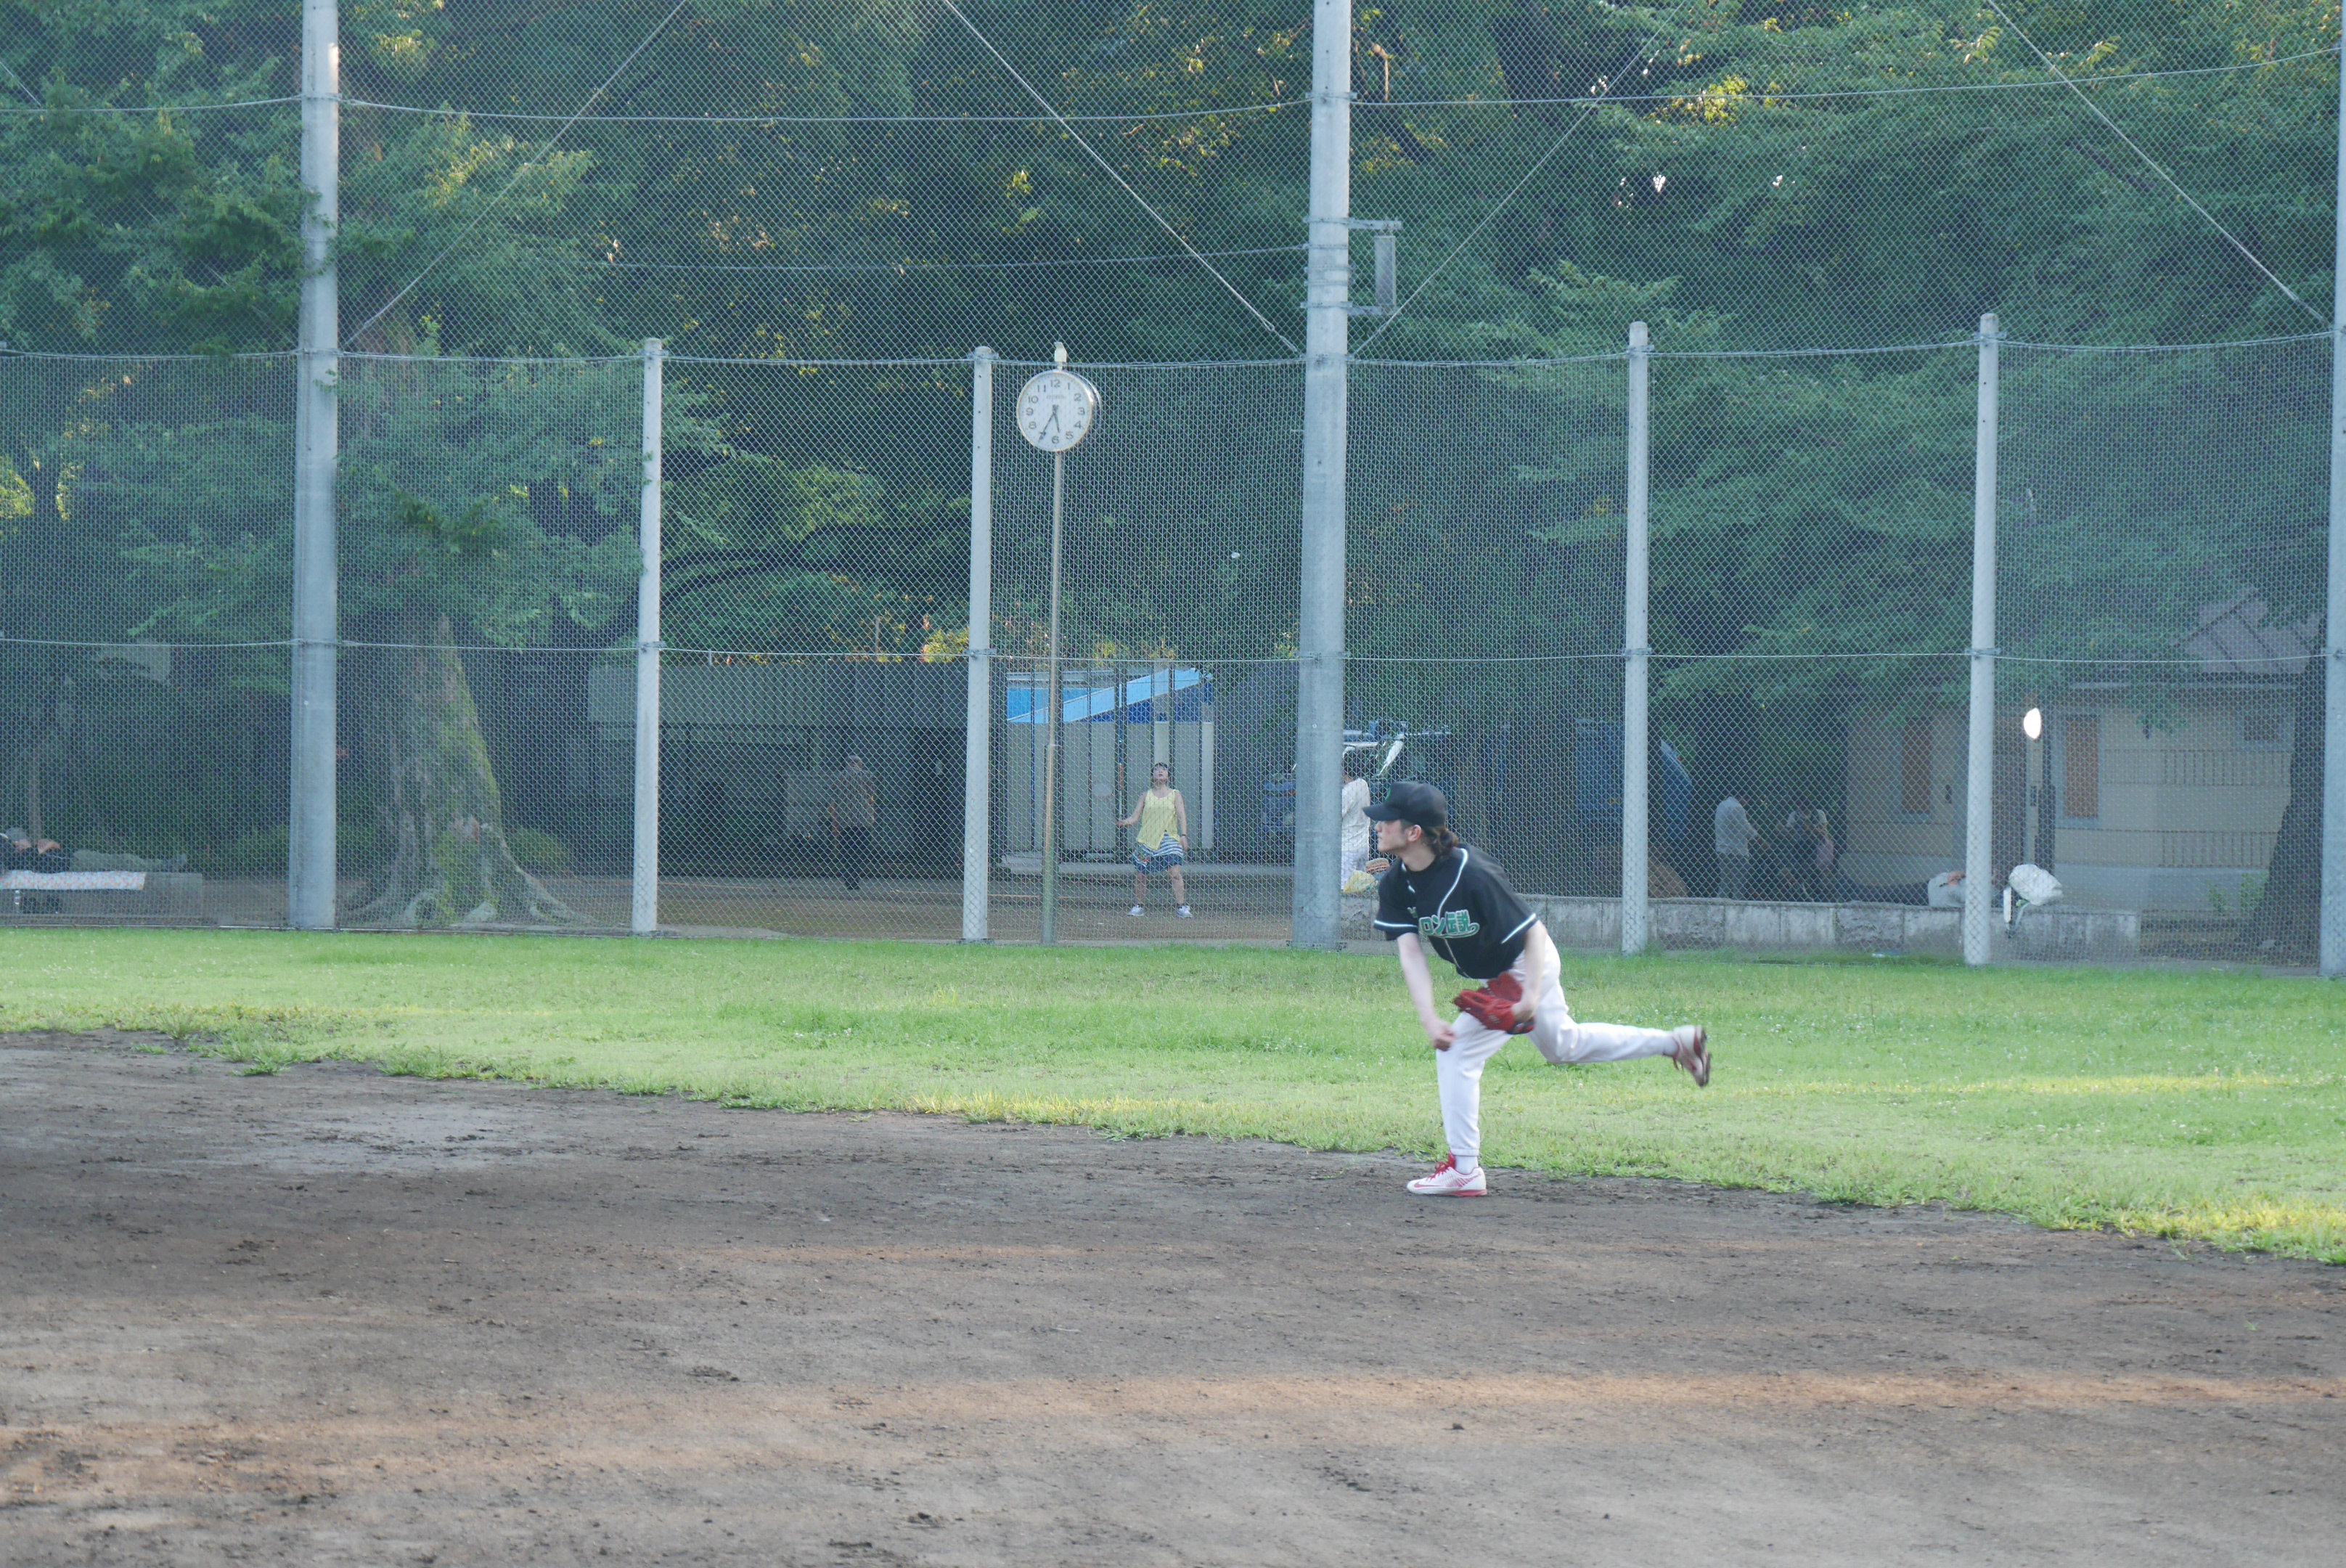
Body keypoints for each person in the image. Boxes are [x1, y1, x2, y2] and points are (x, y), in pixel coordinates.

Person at [1370, 781, 1709, 1197]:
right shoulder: (1396, 884)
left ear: (1414, 832)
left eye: (1388, 820)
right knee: (1564, 1046)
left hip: (1526, 964)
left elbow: (1532, 931)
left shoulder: (1471, 872)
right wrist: (1429, 1017)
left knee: (1457, 1052)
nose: (1379, 826)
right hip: (1500, 974)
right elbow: (1411, 953)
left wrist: (1529, 998)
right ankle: (1676, 1043)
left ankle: (1464, 1169)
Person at [1116, 761, 1191, 918]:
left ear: (1168, 775)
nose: (1160, 772)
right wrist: (1125, 822)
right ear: (1152, 776)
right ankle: (1139, 906)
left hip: (1169, 838)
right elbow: (1135, 817)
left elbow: (1182, 816)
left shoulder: (1175, 794)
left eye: (1164, 769)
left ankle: (1182, 906)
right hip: (1147, 840)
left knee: (1175, 873)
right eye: (1156, 770)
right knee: (1141, 875)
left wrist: (1183, 835)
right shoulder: (1145, 795)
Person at [828, 754, 876, 891]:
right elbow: (871, 797)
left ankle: (849, 876)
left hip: (845, 820)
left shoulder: (839, 777)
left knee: (847, 850)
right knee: (862, 849)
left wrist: (835, 821)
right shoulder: (867, 776)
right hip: (863, 819)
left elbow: (833, 801)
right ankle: (856, 874)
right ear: (860, 764)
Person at [1714, 789, 1757, 899]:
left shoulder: (1722, 805)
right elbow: (1745, 828)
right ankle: (1737, 903)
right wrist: (1757, 836)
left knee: (1726, 882)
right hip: (1736, 851)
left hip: (1722, 848)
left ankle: (1720, 903)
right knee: (1740, 883)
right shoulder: (1737, 807)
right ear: (1743, 797)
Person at [1339, 751, 1372, 886]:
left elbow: (1336, 816)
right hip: (1363, 843)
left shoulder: (1347, 792)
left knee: (1345, 886)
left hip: (1348, 846)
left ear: (1344, 769)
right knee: (1359, 885)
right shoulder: (1363, 784)